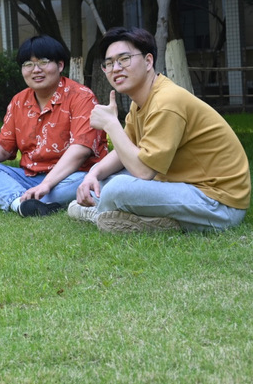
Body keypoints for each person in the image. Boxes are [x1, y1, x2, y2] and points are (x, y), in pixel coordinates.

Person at [68, 26, 250, 233]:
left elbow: (144, 171)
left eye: (124, 59)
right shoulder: (141, 101)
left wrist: (111, 125)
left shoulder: (166, 101)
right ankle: (151, 219)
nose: (115, 68)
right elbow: (123, 151)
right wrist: (93, 174)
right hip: (184, 187)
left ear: (148, 61)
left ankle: (99, 212)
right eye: (109, 63)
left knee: (117, 188)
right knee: (103, 182)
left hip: (218, 203)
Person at [0, 35, 108, 217]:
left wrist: (46, 184)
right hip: (30, 178)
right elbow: (3, 150)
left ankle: (6, 200)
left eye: (43, 62)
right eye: (28, 64)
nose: (36, 70)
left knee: (85, 182)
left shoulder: (81, 97)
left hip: (73, 175)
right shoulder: (18, 101)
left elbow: (80, 151)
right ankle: (23, 204)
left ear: (60, 65)